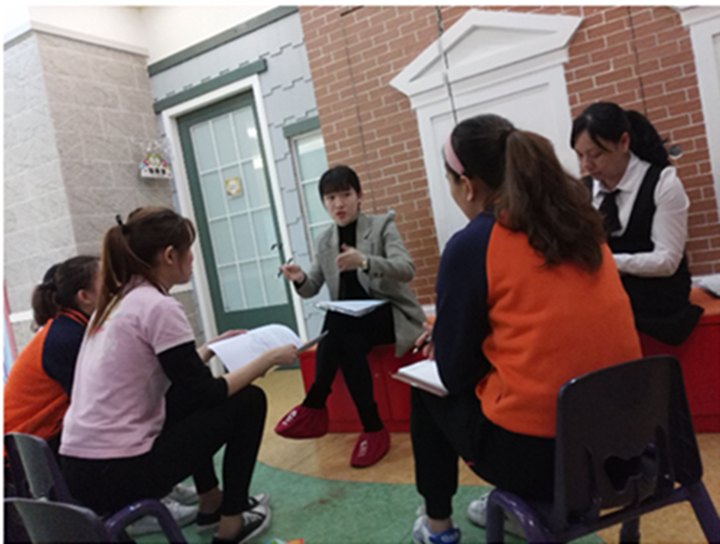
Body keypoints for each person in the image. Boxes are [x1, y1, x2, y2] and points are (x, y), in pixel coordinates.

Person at [410, 114, 642, 544]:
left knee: (426, 390)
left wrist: (447, 342)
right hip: (631, 447)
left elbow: (455, 375)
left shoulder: (473, 244)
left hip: (543, 462)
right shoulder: (582, 228)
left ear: (468, 185)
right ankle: (519, 506)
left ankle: (438, 527)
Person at [59, 207, 299, 544]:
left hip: (78, 470)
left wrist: (208, 348)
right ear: (170, 255)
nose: (192, 259)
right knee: (249, 400)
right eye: (189, 250)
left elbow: (166, 376)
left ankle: (210, 503)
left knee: (185, 399)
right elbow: (209, 393)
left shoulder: (115, 304)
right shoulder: (158, 306)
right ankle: (231, 525)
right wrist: (267, 359)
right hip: (118, 473)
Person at [2, 256, 202, 536]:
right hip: (28, 456)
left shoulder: (72, 328)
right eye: (108, 281)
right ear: (84, 297)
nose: (118, 286)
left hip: (34, 445)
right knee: (145, 412)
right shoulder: (69, 338)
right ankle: (138, 502)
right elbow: (107, 406)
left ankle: (161, 491)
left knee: (158, 404)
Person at [275, 165, 426, 468]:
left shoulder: (382, 226)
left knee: (337, 323)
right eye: (330, 198)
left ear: (359, 195)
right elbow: (312, 286)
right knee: (346, 337)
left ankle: (315, 404)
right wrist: (299, 277)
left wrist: (366, 261)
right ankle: (373, 427)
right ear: (324, 202)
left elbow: (406, 268)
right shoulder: (324, 240)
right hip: (352, 325)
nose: (339, 204)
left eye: (345, 195)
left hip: (389, 314)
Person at [571, 102, 703, 346]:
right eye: (580, 156)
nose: (587, 165)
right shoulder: (583, 191)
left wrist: (606, 261)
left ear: (624, 142)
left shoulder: (663, 183)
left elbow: (667, 261)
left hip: (659, 309)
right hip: (607, 307)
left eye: (596, 154)